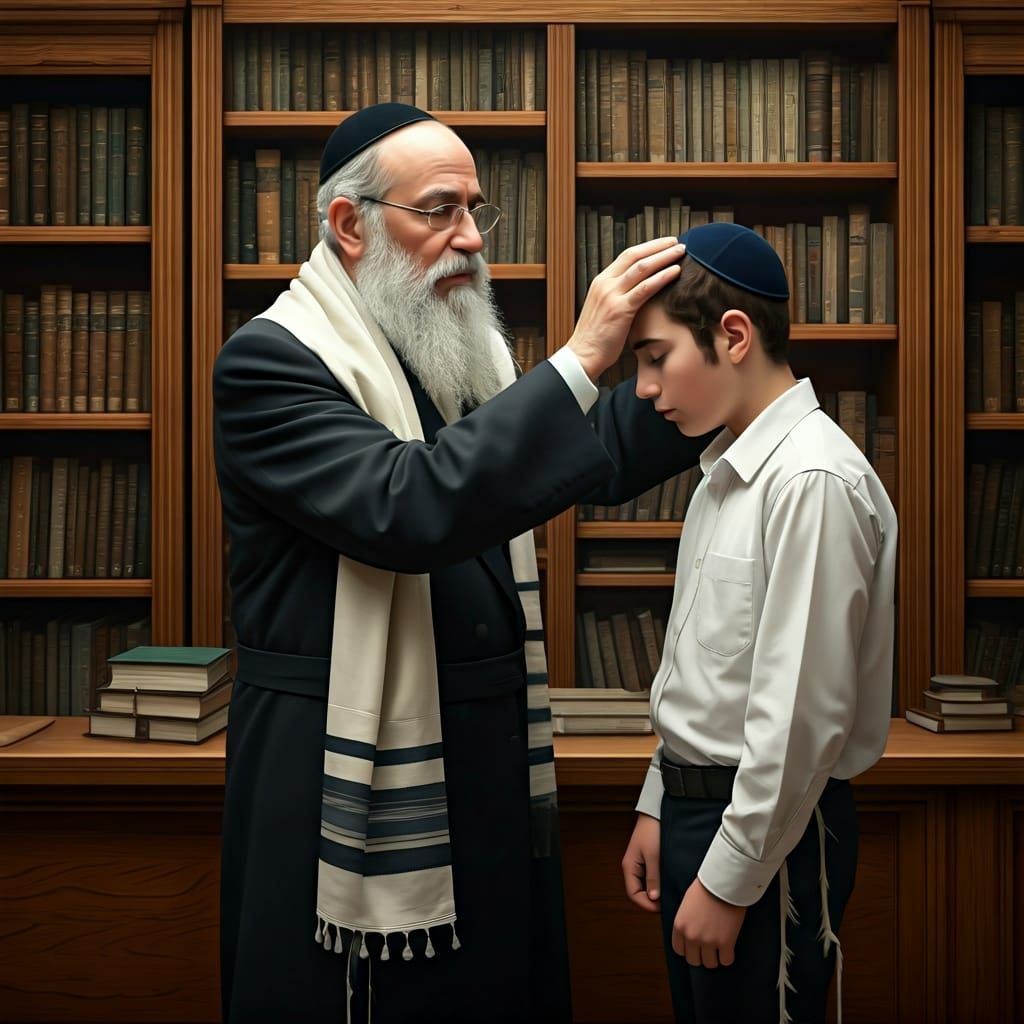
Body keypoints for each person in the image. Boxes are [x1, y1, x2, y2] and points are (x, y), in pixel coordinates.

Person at [213, 102, 710, 1024]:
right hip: (336, 771)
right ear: (351, 224)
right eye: (439, 210)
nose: (471, 239)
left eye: (476, 210)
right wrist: (577, 359)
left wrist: (715, 378)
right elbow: (410, 504)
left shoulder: (448, 346)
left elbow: (575, 452)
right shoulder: (270, 364)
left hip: (479, 764)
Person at [619, 222, 897, 1024]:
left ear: (732, 336)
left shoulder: (811, 479)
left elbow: (799, 721)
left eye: (655, 356)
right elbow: (703, 678)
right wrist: (657, 801)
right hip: (697, 811)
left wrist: (728, 879)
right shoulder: (723, 475)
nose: (642, 388)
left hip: (767, 835)